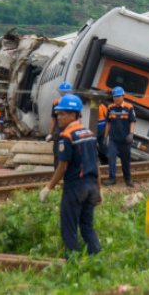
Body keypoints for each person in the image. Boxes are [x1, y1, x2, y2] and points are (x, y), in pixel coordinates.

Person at [39, 94, 102, 257]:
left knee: (69, 228)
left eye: (63, 114)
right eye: (58, 113)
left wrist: (48, 187)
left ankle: (72, 264)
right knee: (87, 227)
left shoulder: (66, 137)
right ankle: (97, 260)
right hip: (91, 186)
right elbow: (96, 164)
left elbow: (62, 167)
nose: (59, 117)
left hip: (76, 187)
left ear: (74, 115)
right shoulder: (89, 133)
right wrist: (99, 190)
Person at [103, 86, 136, 187]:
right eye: (114, 97)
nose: (116, 98)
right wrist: (105, 137)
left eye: (118, 96)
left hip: (125, 141)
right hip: (114, 140)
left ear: (123, 96)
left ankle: (128, 179)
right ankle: (112, 179)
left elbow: (132, 122)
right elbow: (108, 123)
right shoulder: (110, 108)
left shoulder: (129, 107)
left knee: (125, 161)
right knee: (111, 159)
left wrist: (131, 134)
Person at [48, 81, 73, 167]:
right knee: (62, 154)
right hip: (67, 131)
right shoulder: (73, 101)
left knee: (59, 154)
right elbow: (54, 119)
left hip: (63, 131)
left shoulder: (57, 102)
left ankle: (59, 173)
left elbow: (53, 119)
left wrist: (50, 133)